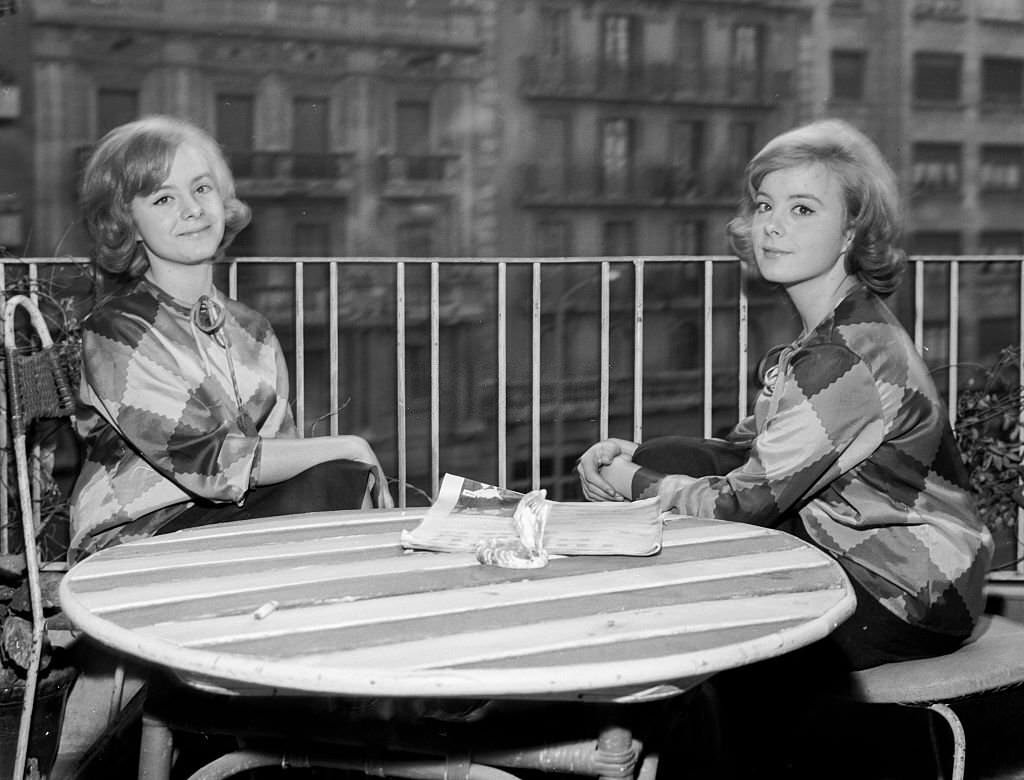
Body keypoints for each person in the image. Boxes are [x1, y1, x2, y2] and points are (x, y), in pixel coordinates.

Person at [576, 118, 993, 672]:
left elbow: (739, 504)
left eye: (802, 209)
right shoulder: (837, 328)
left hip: (909, 591)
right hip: (855, 545)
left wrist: (630, 481)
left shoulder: (840, 357)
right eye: (765, 205)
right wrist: (635, 458)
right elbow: (755, 452)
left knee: (696, 626)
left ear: (851, 232)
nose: (770, 226)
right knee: (666, 457)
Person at [69, 115, 393, 563]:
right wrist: (351, 446)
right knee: (339, 475)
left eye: (202, 189)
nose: (193, 209)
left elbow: (282, 449)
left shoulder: (251, 327)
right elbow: (209, 465)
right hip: (134, 541)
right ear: (129, 225)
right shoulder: (118, 329)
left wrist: (344, 468)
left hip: (223, 522)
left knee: (338, 479)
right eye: (164, 198)